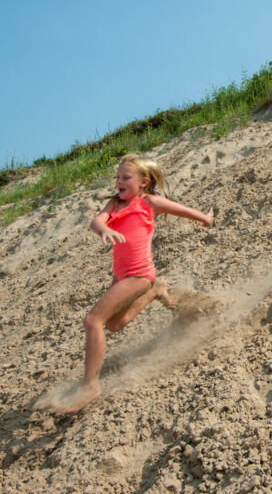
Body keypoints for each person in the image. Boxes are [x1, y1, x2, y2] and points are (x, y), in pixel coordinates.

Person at [58, 154, 213, 413]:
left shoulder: (148, 202)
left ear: (143, 182)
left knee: (92, 321)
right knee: (116, 324)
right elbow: (96, 221)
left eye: (125, 177)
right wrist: (104, 229)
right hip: (123, 276)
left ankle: (90, 386)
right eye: (117, 177)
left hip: (139, 274)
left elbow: (182, 210)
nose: (119, 181)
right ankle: (156, 291)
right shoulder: (114, 203)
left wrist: (206, 219)